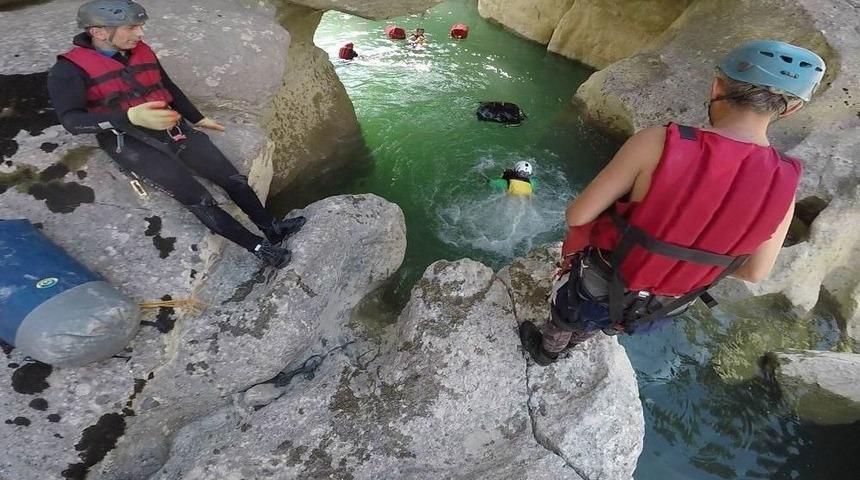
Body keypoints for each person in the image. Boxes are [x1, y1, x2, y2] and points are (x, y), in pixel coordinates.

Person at [519, 40, 826, 366]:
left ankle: (547, 351)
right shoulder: (785, 182)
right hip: (661, 305)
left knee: (568, 317)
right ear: (791, 108)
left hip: (599, 283)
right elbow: (754, 272)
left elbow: (578, 214)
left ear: (716, 86)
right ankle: (573, 344)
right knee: (602, 319)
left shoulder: (658, 142)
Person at [47, 0, 304, 269]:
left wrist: (197, 118)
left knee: (233, 179)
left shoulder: (139, 51)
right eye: (132, 27)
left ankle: (273, 228)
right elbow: (72, 121)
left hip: (173, 128)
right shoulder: (67, 70)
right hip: (131, 141)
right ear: (99, 32)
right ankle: (259, 248)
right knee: (200, 200)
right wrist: (128, 117)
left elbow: (167, 86)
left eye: (140, 26)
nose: (140, 34)